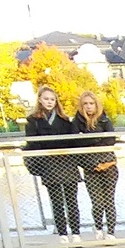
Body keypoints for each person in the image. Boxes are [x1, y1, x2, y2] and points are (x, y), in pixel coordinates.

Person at [23, 86, 81, 237]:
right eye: (46, 99)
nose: (49, 102)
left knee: (72, 201)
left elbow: (72, 141)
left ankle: (76, 233)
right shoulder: (33, 121)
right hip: (48, 164)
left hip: (67, 162)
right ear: (40, 100)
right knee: (56, 202)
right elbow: (32, 143)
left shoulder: (64, 120)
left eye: (52, 99)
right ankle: (62, 234)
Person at [72, 91, 121, 236]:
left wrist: (89, 141)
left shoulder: (105, 120)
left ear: (96, 105)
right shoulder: (76, 122)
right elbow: (75, 144)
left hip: (109, 165)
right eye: (85, 104)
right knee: (97, 202)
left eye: (91, 103)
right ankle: (99, 228)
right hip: (90, 167)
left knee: (109, 201)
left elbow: (111, 140)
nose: (88, 106)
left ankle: (111, 233)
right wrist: (96, 142)